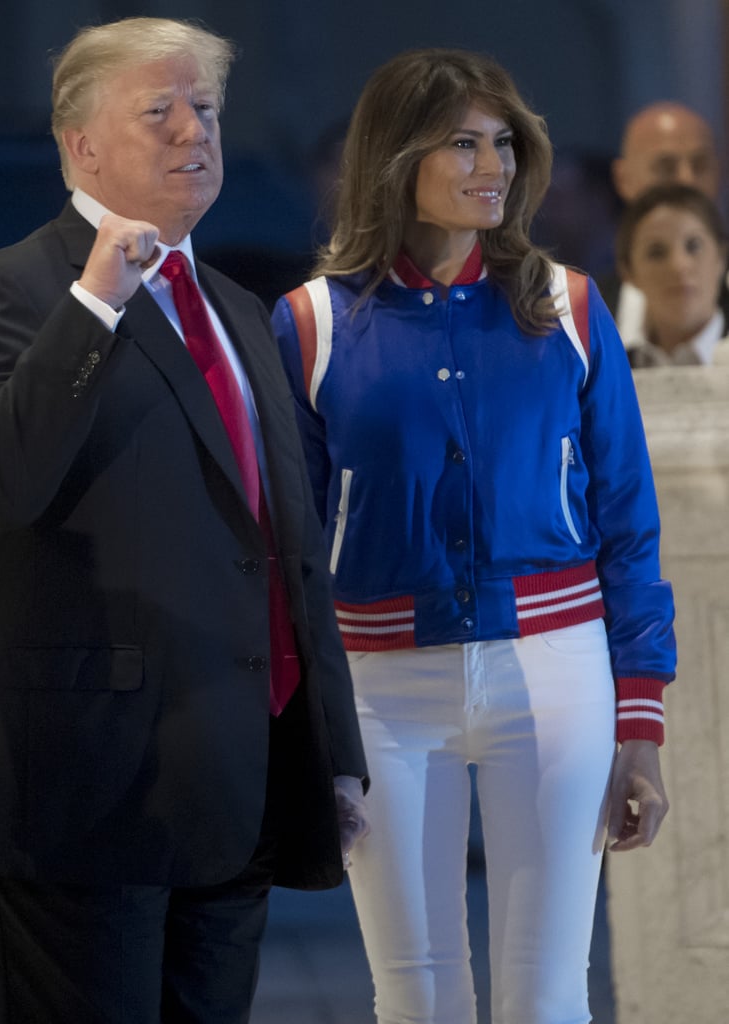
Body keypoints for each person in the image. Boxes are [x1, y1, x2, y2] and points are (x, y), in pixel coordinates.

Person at [0, 16, 369, 1024]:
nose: (191, 131)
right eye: (157, 110)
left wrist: (327, 747)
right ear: (80, 143)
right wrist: (97, 302)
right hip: (70, 793)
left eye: (204, 108)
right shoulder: (13, 290)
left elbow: (283, 548)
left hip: (228, 789)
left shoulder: (242, 312)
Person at [272, 48, 675, 1024]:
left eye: (501, 142)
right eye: (463, 143)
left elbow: (627, 526)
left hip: (555, 671)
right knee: (416, 998)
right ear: (395, 156)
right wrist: (304, 738)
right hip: (379, 691)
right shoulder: (311, 325)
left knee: (547, 999)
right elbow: (282, 555)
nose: (492, 164)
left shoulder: (570, 307)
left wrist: (643, 726)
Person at [598, 100, 728, 340]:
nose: (687, 181)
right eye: (666, 167)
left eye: (700, 165)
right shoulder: (592, 318)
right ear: (623, 179)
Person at [616, 183, 729, 365]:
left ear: (721, 258)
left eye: (694, 246)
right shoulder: (608, 365)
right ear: (628, 272)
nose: (678, 266)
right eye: (656, 252)